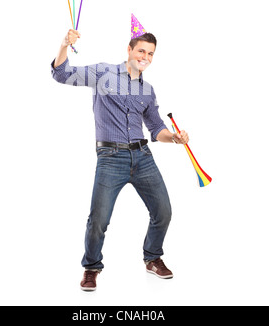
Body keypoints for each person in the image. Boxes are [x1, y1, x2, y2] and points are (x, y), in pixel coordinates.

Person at [51, 26, 189, 291]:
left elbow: (156, 127)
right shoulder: (103, 73)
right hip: (110, 157)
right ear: (129, 50)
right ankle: (91, 267)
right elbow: (62, 74)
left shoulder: (147, 90)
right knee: (99, 219)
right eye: (141, 51)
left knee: (163, 211)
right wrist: (64, 45)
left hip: (143, 157)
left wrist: (174, 138)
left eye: (150, 53)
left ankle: (152, 257)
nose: (145, 57)